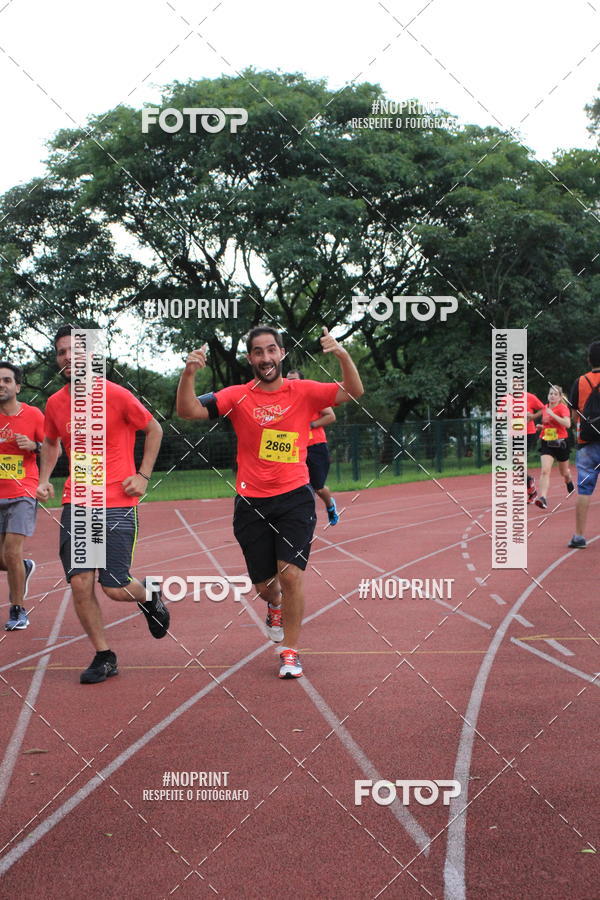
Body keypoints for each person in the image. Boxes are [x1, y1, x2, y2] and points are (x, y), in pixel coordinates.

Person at [176, 325, 364, 679]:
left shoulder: (304, 392)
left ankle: (289, 651)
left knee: (291, 574)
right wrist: (188, 374)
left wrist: (340, 353)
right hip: (251, 502)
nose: (265, 358)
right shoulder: (236, 395)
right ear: (250, 358)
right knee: (265, 586)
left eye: (271, 350)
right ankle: (274, 606)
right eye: (258, 352)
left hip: (294, 497)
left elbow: (353, 391)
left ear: (282, 353)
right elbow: (187, 411)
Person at [36, 326, 167, 684]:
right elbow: (50, 443)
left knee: (114, 587)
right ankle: (104, 655)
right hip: (78, 501)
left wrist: (143, 475)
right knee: (81, 582)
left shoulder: (117, 395)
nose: (67, 358)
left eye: (74, 351)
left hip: (117, 501)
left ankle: (150, 596)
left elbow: (154, 429)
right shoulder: (55, 403)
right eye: (61, 352)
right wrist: (45, 477)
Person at [0, 362, 43, 631]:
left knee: (11, 551)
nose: (1, 385)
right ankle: (24, 568)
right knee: (5, 559)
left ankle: (18, 610)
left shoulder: (34, 415)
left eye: (6, 380)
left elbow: (54, 449)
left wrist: (34, 445)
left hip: (23, 491)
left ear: (17, 386)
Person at [287, 368, 339, 525]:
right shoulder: (285, 401)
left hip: (315, 446)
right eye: (288, 379)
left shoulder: (311, 396)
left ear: (302, 381)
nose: (291, 382)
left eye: (294, 379)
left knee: (318, 487)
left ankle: (330, 506)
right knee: (296, 486)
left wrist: (310, 424)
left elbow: (331, 416)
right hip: (295, 447)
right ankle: (301, 520)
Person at [567, 339, 600, 548]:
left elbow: (572, 417)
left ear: (589, 360)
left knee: (584, 489)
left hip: (587, 443)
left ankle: (579, 536)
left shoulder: (580, 382)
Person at [534, 385, 574, 510]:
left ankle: (568, 479)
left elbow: (567, 424)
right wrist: (542, 427)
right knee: (545, 470)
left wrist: (553, 415)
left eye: (555, 394)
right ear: (548, 395)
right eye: (550, 393)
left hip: (561, 443)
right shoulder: (545, 408)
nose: (552, 396)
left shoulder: (562, 408)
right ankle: (543, 498)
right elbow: (548, 425)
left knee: (564, 472)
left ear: (560, 397)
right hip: (547, 442)